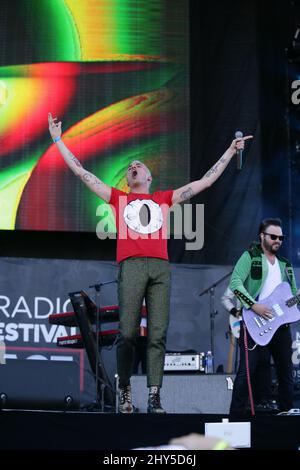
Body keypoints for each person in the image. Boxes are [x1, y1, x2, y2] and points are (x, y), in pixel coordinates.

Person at [48, 112, 252, 414]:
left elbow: (205, 182)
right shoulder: (118, 199)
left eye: (139, 165)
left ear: (149, 177)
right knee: (128, 333)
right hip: (130, 266)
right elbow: (82, 173)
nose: (133, 166)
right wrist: (57, 140)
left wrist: (231, 150)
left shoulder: (163, 199)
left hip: (159, 268)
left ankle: (154, 395)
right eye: (130, 166)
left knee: (157, 335)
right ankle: (125, 390)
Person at [229, 218, 297, 417]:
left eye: (281, 237)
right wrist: (254, 305)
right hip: (253, 323)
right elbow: (235, 283)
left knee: (285, 372)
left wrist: (297, 299)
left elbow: (292, 298)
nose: (278, 240)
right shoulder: (250, 256)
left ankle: (287, 415)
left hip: (280, 327)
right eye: (273, 236)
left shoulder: (286, 264)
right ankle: (235, 416)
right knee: (246, 372)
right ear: (262, 237)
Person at [221, 285, 274, 412]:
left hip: (263, 324)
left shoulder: (268, 278)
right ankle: (239, 407)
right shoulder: (241, 278)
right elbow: (225, 298)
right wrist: (235, 311)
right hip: (246, 323)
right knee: (247, 367)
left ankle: (262, 402)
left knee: (264, 362)